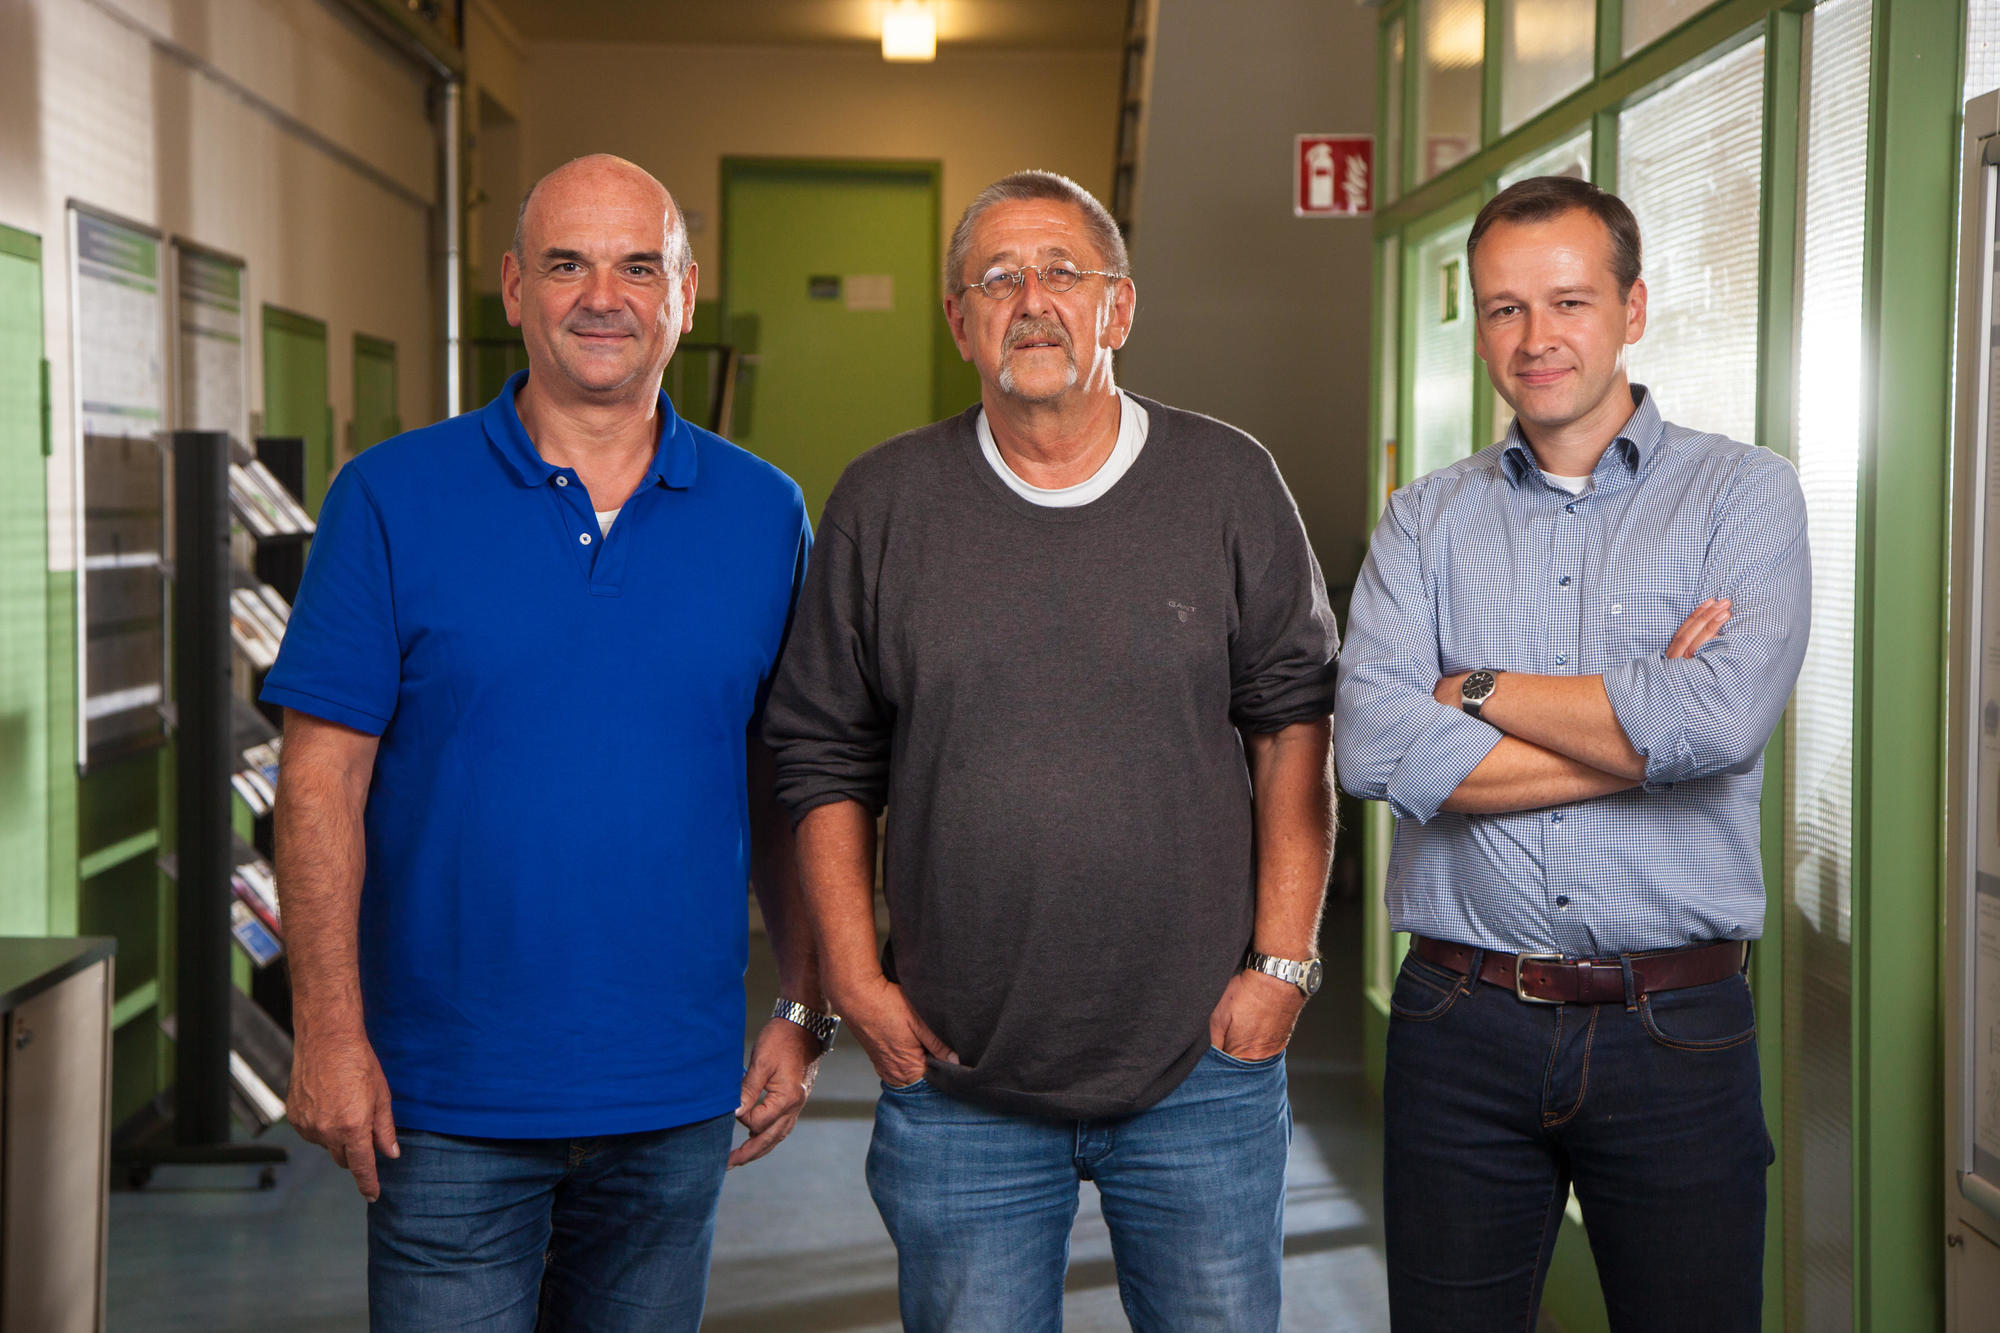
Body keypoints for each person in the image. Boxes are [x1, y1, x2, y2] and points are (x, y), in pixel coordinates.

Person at [761, 170, 1341, 1332]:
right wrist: (856, 985)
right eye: (998, 278)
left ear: (1117, 309)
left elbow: (1293, 726)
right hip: (957, 1078)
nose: (1032, 300)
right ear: (959, 320)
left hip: (1199, 1069)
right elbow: (822, 755)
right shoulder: (883, 504)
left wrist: (1281, 966)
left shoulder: (1227, 482)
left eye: (1062, 274)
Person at [263, 154, 834, 1332]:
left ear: (684, 292)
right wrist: (325, 1031)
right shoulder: (389, 498)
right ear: (514, 287)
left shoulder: (763, 512)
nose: (601, 296)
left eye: (637, 265)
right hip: (442, 1097)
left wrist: (803, 1004)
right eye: (566, 264)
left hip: (673, 1096)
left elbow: (790, 783)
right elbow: (320, 780)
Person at [1335, 174, 1810, 1332]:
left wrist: (1477, 690)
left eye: (1567, 301)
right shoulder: (1421, 520)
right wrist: (1648, 733)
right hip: (1458, 1020)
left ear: (1632, 308)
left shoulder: (1741, 494)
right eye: (1502, 308)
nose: (1534, 337)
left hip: (1675, 1029)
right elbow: (1370, 742)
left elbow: (1721, 721)